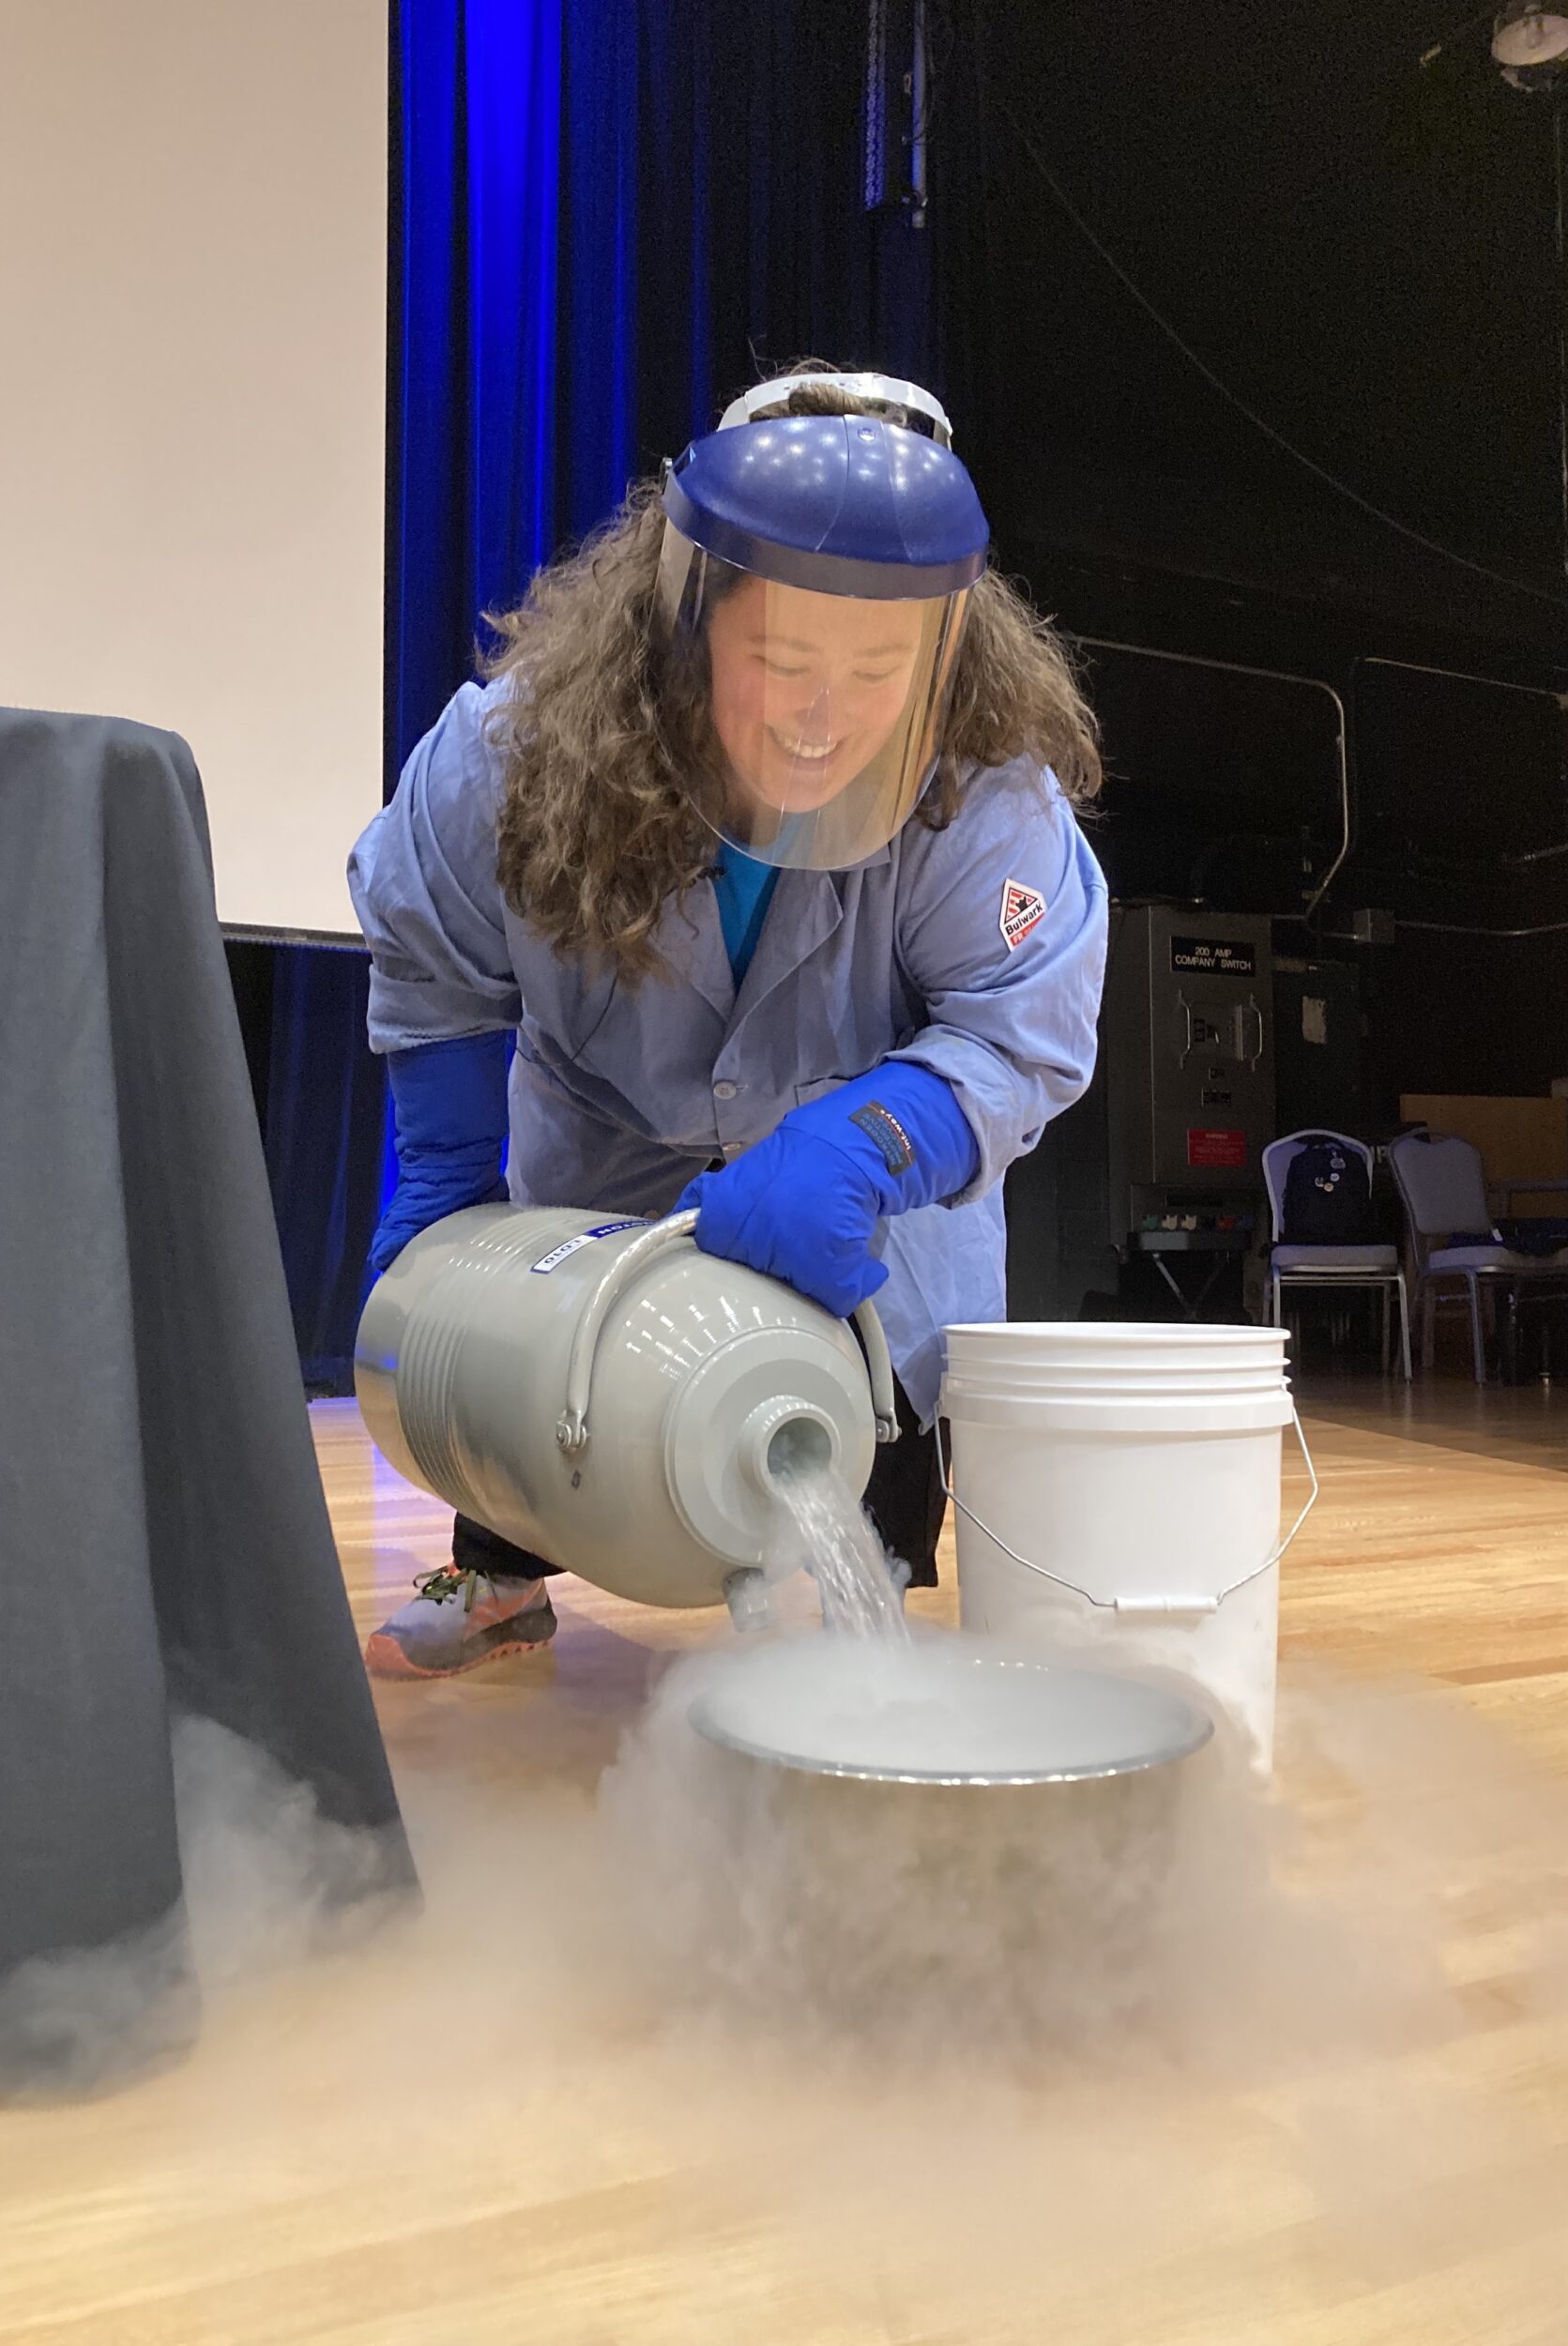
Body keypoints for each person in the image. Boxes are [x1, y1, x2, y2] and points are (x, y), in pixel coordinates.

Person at [349, 363, 1108, 1678]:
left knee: (863, 1446)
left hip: (858, 1188)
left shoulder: (984, 788)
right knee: (533, 1389)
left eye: (877, 671)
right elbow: (434, 947)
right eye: (780, 659)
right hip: (608, 1147)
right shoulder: (514, 752)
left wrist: (874, 1142)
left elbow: (1020, 1028)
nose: (824, 718)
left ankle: (851, 1639)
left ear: (945, 650)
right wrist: (445, 1178)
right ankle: (498, 1581)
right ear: (687, 618)